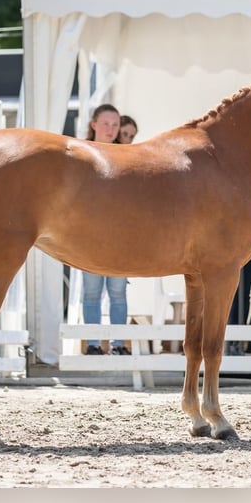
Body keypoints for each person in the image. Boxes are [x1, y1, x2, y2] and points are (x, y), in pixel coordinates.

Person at [80, 104, 138, 355]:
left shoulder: (127, 155)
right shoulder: (79, 152)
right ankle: (93, 344)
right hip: (89, 234)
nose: (111, 129)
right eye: (106, 124)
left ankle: (118, 344)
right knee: (92, 292)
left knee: (118, 293)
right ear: (93, 124)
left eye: (115, 125)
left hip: (121, 235)